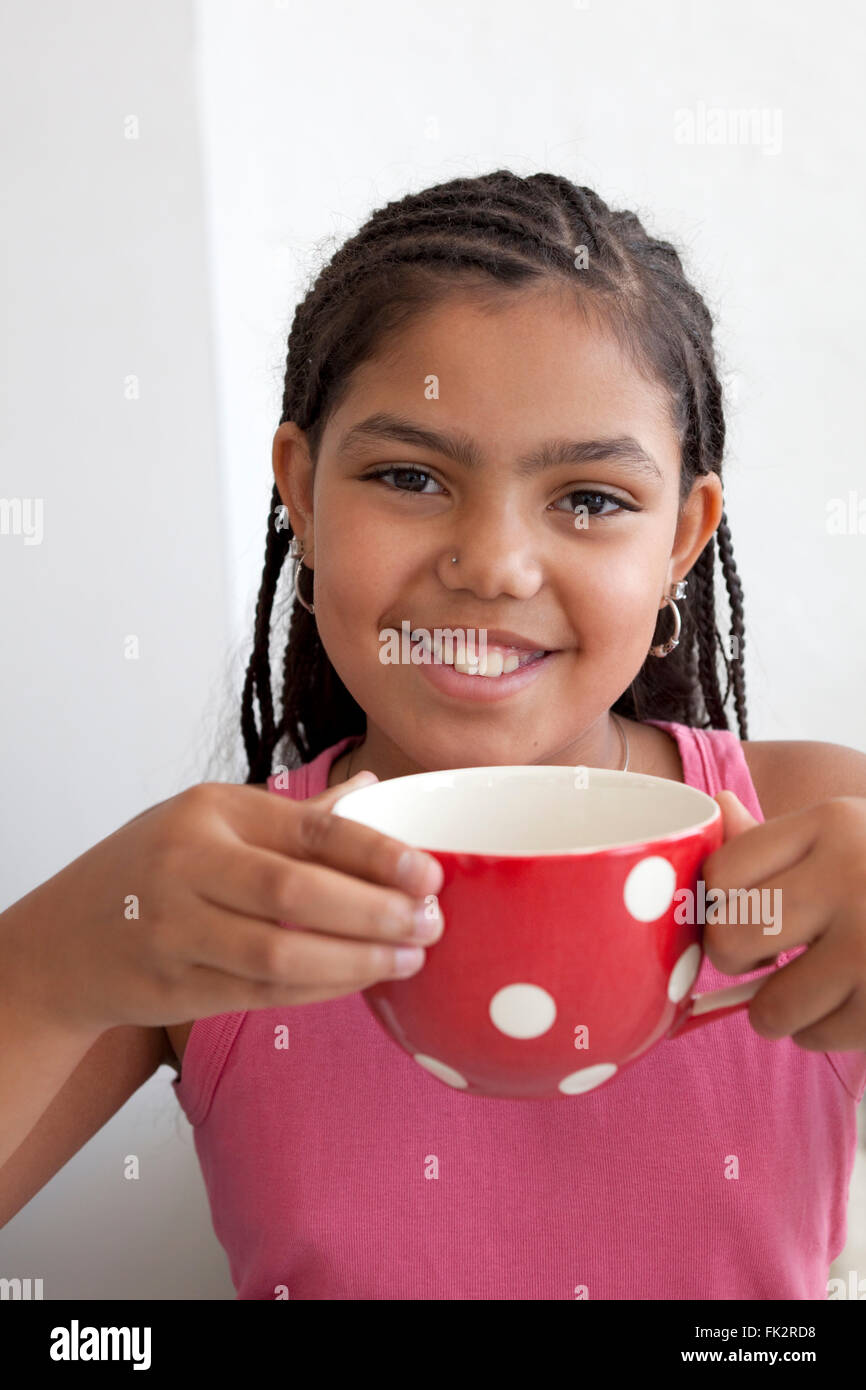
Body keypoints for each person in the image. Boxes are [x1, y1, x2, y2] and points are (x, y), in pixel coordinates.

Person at [3, 170, 865, 1299]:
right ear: (302, 495)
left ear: (680, 538)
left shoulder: (804, 834)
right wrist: (58, 958)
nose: (493, 565)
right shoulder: (211, 894)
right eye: (409, 476)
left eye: (591, 499)